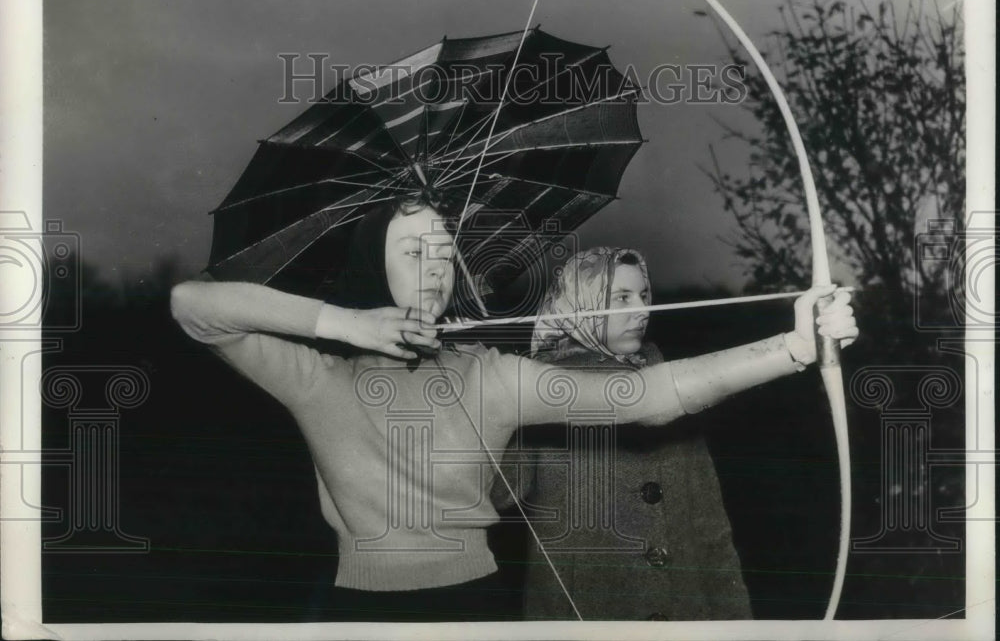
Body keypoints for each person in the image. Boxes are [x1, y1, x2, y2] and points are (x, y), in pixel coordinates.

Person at [170, 195, 858, 621]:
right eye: (414, 250)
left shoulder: (490, 375)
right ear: (371, 266)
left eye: (446, 250)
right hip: (359, 612)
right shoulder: (315, 376)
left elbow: (646, 395)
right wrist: (341, 323)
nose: (438, 264)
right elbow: (192, 305)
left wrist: (794, 347)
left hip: (476, 606)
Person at [494, 247, 767, 620]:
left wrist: (738, 626)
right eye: (621, 297)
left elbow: (711, 531)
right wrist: (481, 398)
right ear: (582, 304)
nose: (641, 310)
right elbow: (489, 494)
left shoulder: (677, 389)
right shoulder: (539, 392)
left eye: (643, 296)